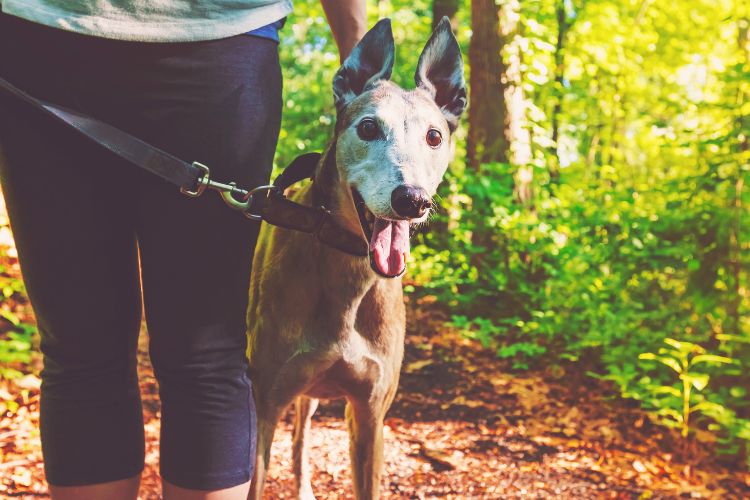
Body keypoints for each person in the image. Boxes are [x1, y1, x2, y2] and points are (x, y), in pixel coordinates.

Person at [0, 1, 366, 498]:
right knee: (80, 350)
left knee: (206, 355)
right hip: (37, 40)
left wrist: (358, 59)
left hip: (220, 44)